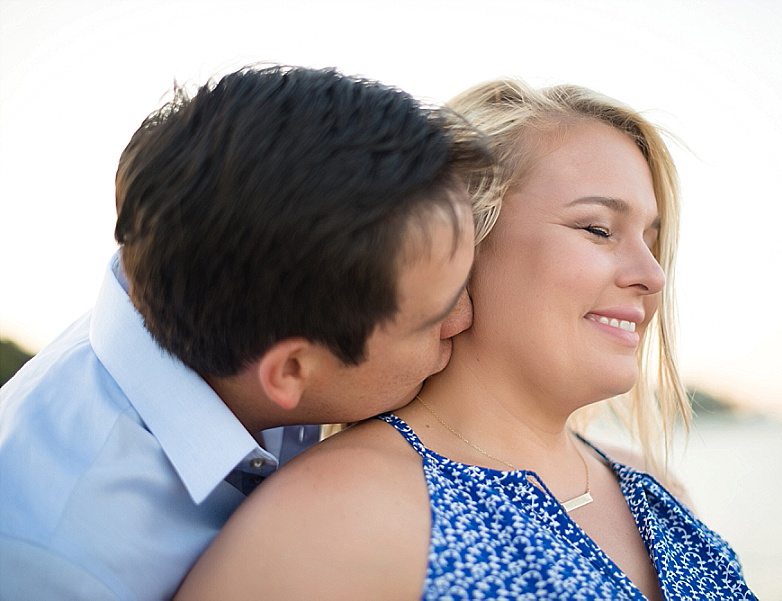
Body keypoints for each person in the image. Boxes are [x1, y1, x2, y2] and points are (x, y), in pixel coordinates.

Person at [180, 78, 758, 601]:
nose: (652, 274)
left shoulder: (657, 488)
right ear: (459, 239)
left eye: (651, 240)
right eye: (598, 229)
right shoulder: (340, 514)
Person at [0, 65, 492, 600]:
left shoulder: (198, 263)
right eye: (434, 315)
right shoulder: (57, 560)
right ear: (291, 371)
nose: (466, 318)